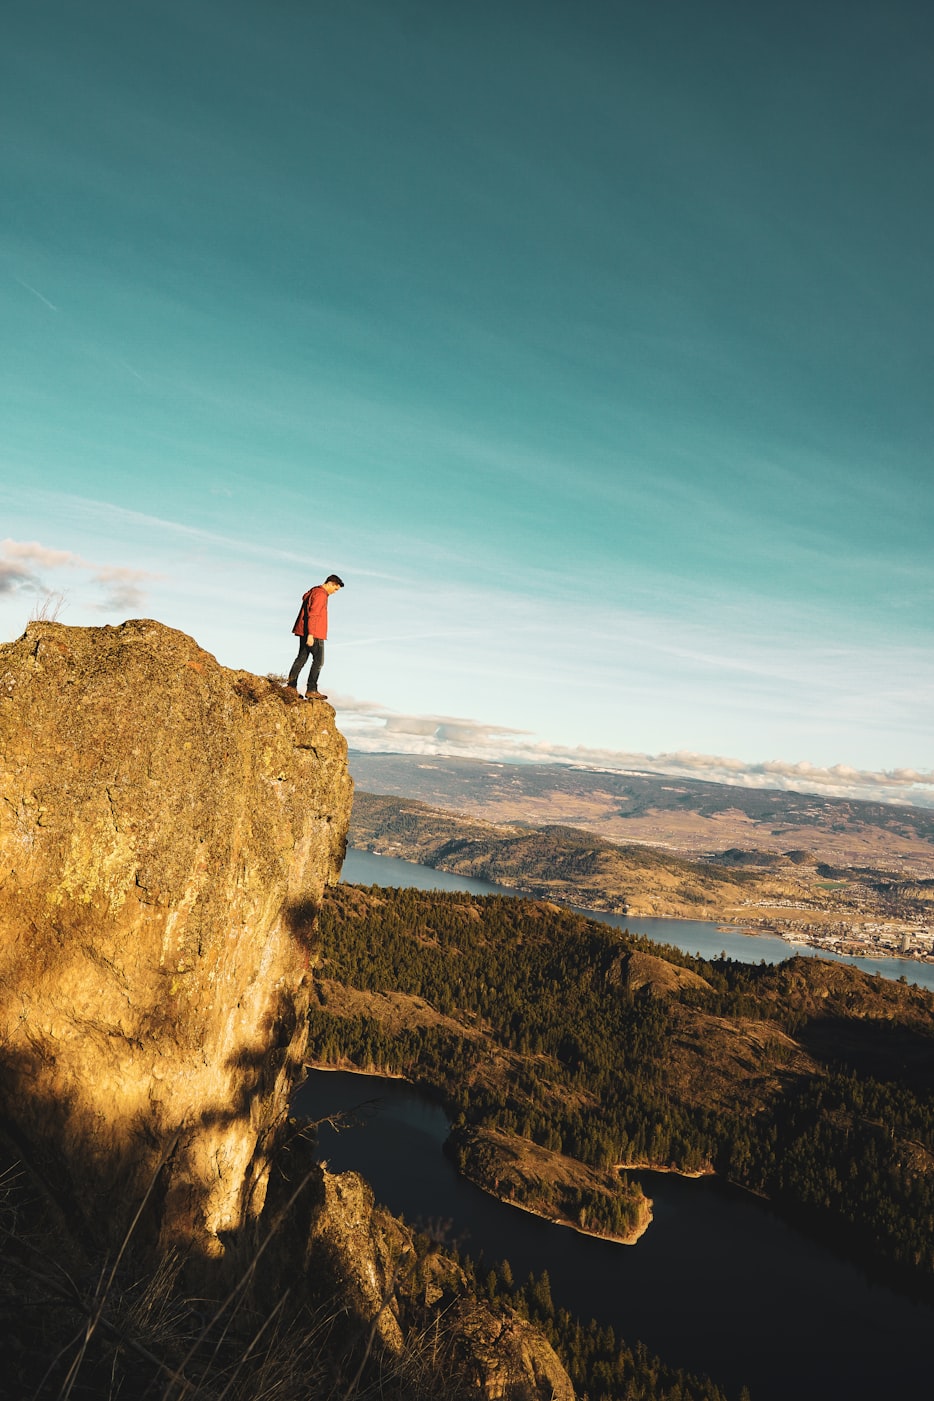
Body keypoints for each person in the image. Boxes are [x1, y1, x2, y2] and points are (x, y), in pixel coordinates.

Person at [286, 574, 344, 699]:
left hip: (305, 631)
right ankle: (311, 689)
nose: (334, 592)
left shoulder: (314, 592)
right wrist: (311, 634)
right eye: (335, 589)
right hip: (314, 633)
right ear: (330, 583)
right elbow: (314, 614)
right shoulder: (321, 594)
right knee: (318, 661)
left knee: (301, 659)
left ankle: (291, 686)